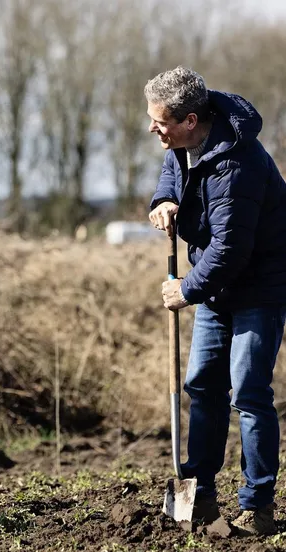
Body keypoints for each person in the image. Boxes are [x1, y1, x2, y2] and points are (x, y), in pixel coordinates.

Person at [146, 67, 286, 535]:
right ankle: (201, 493)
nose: (153, 129)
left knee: (248, 393)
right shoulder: (185, 145)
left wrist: (185, 290)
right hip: (218, 287)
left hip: (259, 289)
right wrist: (164, 201)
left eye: (160, 122)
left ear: (189, 119)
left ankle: (257, 505)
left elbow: (230, 248)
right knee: (203, 386)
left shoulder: (238, 164)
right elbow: (173, 172)